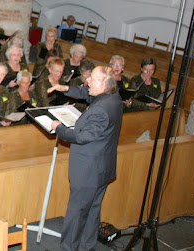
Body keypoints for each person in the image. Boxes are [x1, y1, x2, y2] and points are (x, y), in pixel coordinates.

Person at [48, 67, 123, 251]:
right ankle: (87, 247)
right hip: (102, 168)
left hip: (88, 170)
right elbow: (86, 93)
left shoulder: (101, 110)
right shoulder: (113, 98)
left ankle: (69, 248)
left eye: (92, 78)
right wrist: (65, 88)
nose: (87, 80)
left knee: (77, 212)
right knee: (92, 210)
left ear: (104, 84)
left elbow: (81, 137)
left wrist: (59, 128)